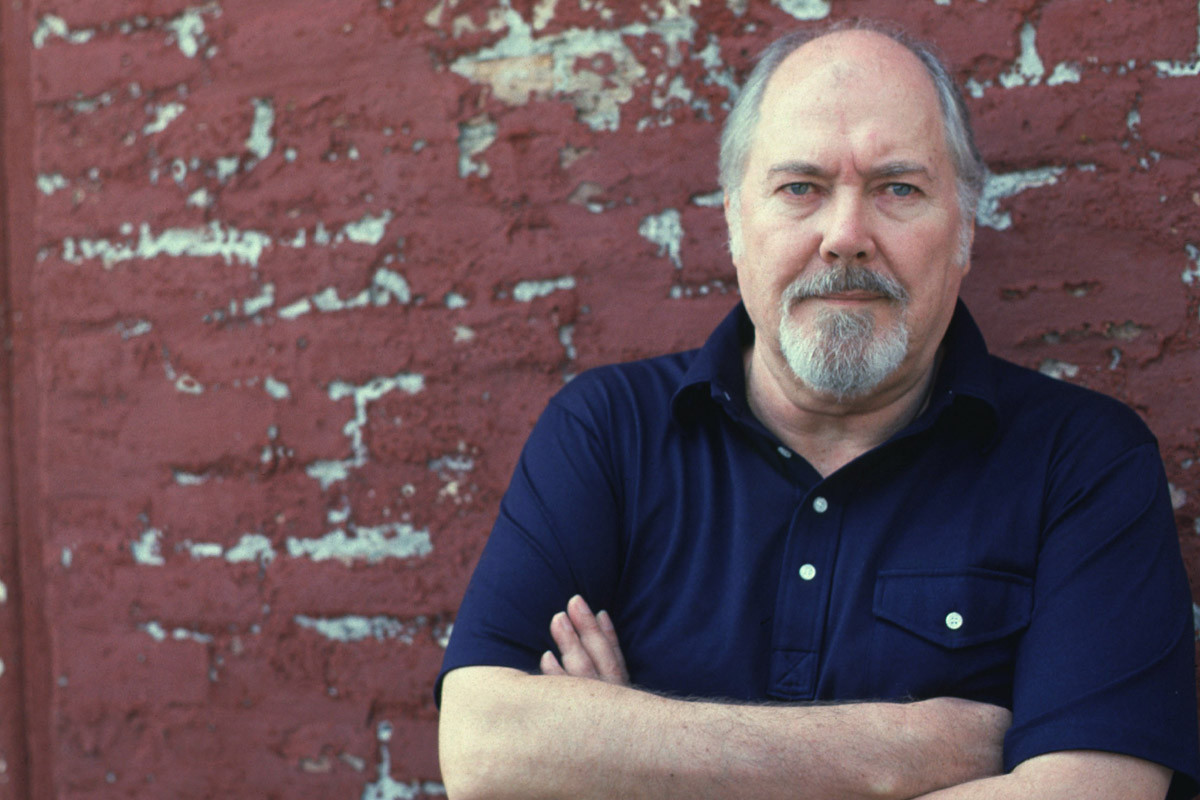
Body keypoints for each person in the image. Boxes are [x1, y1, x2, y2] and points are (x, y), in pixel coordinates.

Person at [436, 20, 1200, 800]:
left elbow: (1094, 792)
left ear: (966, 229)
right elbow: (482, 749)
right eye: (801, 187)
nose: (845, 236)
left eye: (898, 188)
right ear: (735, 221)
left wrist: (627, 755)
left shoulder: (1083, 463)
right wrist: (896, 754)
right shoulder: (608, 432)